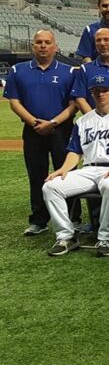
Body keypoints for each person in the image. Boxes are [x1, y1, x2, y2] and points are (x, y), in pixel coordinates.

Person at [42, 75, 109, 257]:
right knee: (51, 186)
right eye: (96, 91)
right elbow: (75, 151)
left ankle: (105, 237)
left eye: (104, 90)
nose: (100, 94)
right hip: (88, 169)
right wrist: (64, 169)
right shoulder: (83, 121)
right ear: (91, 94)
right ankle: (65, 236)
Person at [4, 30, 77, 237]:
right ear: (33, 46)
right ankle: (39, 219)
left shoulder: (69, 71)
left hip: (62, 129)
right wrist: (34, 122)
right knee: (36, 175)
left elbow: (74, 105)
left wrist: (53, 122)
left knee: (67, 174)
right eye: (39, 42)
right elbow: (14, 102)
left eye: (47, 42)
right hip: (32, 129)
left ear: (56, 46)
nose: (43, 46)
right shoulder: (19, 71)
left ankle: (73, 218)